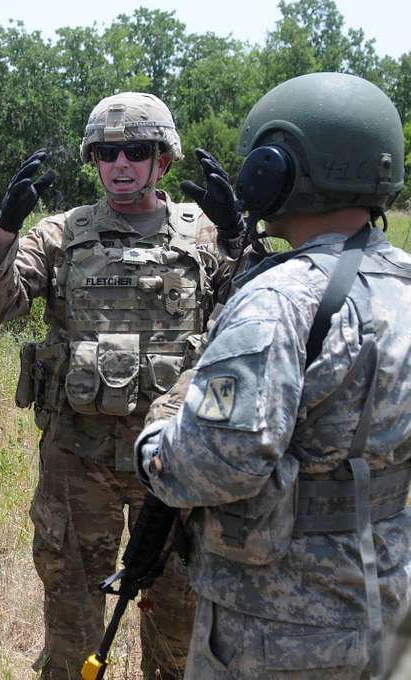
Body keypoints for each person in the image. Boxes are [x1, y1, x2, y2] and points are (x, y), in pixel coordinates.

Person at [135, 72, 410, 679]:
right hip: (389, 600)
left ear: (278, 166)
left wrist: (154, 441)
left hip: (276, 625)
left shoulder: (280, 298)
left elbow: (214, 462)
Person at [0, 92, 245, 679]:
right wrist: (3, 232)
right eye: (108, 152)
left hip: (172, 460)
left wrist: (243, 239)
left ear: (162, 161)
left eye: (137, 151)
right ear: (93, 159)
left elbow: (254, 315)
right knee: (71, 602)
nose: (121, 164)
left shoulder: (204, 236)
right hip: (78, 459)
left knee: (177, 612)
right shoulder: (62, 234)